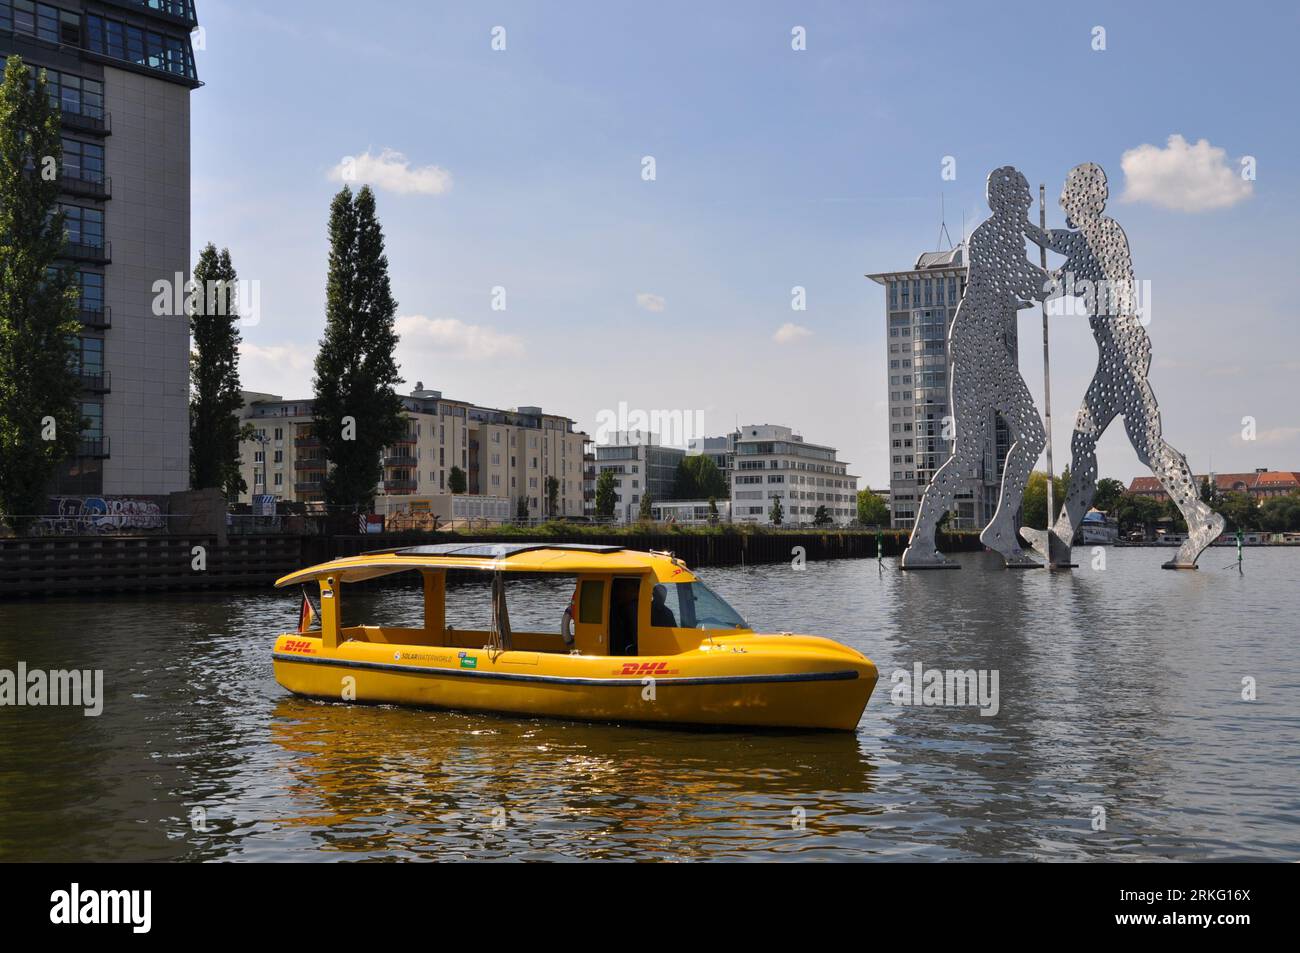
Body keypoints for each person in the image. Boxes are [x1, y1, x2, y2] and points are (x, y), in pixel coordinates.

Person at [1022, 163, 1224, 568]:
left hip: (1123, 355)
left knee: (1128, 443)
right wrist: (1028, 247)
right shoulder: (1090, 244)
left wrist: (1022, 232)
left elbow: (1050, 271)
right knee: (1127, 444)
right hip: (1118, 357)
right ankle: (1062, 538)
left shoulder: (1103, 235)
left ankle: (1200, 519)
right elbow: (1051, 278)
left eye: (1069, 193)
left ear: (1085, 197)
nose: (1063, 200)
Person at [902, 166, 1049, 569]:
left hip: (986, 349)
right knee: (969, 453)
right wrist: (1065, 282)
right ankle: (926, 542)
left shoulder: (1008, 238)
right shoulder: (989, 237)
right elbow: (1026, 280)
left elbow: (1006, 287)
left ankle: (996, 528)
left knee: (1027, 437)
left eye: (1027, 201)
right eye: (1022, 201)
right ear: (1005, 201)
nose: (1027, 207)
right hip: (977, 351)